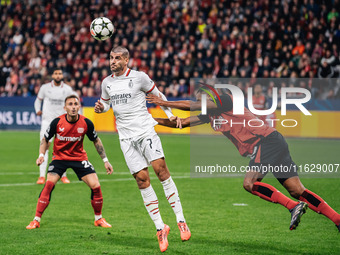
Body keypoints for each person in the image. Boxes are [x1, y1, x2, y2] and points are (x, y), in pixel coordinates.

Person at [147, 89, 340, 232]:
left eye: (201, 97)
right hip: (274, 142)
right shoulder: (210, 115)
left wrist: (164, 103)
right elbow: (180, 124)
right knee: (298, 190)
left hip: (266, 141)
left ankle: (292, 206)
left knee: (250, 183)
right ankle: (338, 220)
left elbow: (192, 107)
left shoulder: (226, 99)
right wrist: (149, 119)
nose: (199, 101)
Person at [94, 46, 190, 252]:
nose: (113, 61)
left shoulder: (139, 77)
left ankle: (181, 220)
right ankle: (160, 228)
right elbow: (106, 103)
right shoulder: (107, 82)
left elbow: (158, 95)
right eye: (111, 57)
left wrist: (170, 113)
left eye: (117, 58)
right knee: (141, 180)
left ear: (126, 60)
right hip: (125, 138)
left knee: (161, 172)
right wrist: (102, 108)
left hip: (145, 131)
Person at [26, 95, 113, 229]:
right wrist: (41, 155)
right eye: (70, 104)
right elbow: (45, 139)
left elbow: (96, 140)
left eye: (75, 104)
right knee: (49, 184)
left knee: (96, 185)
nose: (73, 107)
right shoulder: (57, 122)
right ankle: (36, 220)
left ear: (79, 106)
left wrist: (105, 160)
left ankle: (99, 219)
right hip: (59, 159)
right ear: (65, 107)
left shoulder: (86, 123)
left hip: (79, 159)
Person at [34, 67, 75, 184]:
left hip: (62, 122)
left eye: (60, 73)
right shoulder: (45, 88)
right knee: (44, 147)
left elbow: (72, 103)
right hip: (47, 121)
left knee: (63, 149)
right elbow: (38, 100)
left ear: (62, 75)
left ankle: (63, 175)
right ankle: (42, 176)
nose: (58, 75)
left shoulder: (67, 89)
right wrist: (38, 110)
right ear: (52, 75)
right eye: (56, 73)